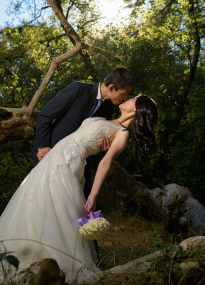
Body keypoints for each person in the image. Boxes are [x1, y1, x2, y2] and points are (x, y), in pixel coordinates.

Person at [0, 95, 158, 282]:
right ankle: (29, 257)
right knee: (35, 205)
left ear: (137, 110)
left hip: (68, 167)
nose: (129, 98)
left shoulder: (122, 134)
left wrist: (93, 195)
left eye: (134, 99)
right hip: (53, 160)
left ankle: (57, 270)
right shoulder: (107, 118)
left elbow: (105, 163)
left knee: (57, 214)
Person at [33, 67, 133, 196]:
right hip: (49, 154)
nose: (125, 98)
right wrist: (43, 147)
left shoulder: (109, 108)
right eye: (124, 93)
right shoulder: (79, 89)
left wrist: (104, 148)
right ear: (112, 88)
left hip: (79, 165)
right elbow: (45, 115)